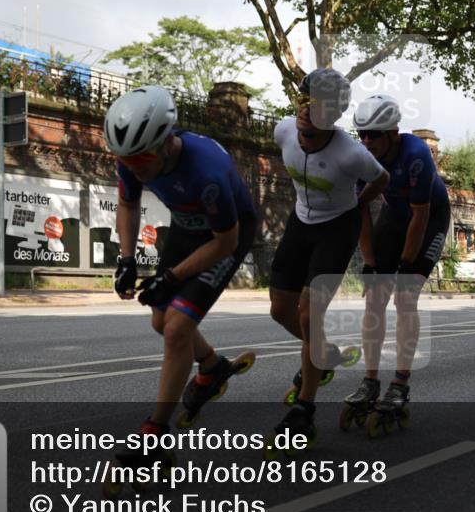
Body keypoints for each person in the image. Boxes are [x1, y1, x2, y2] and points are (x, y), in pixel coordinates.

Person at [106, 85, 259, 465]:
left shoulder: (207, 170)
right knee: (160, 320)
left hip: (227, 234)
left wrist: (172, 278)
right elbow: (127, 203)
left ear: (165, 141)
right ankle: (211, 366)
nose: (132, 167)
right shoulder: (132, 158)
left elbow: (225, 242)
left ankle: (155, 434)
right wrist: (126, 259)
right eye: (125, 160)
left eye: (140, 159)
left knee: (176, 327)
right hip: (188, 228)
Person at [269, 68, 389, 447]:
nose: (307, 110)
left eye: (318, 106)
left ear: (334, 115)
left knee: (309, 315)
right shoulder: (283, 131)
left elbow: (381, 178)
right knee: (280, 311)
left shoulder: (350, 153)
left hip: (338, 228)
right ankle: (325, 354)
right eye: (304, 100)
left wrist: (359, 205)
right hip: (301, 222)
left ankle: (304, 408)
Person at [344, 94, 450, 435]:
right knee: (375, 296)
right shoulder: (362, 158)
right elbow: (360, 209)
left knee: (406, 297)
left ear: (392, 132)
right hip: (394, 215)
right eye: (361, 134)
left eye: (373, 134)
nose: (366, 141)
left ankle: (401, 383)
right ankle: (370, 381)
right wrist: (371, 263)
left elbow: (420, 218)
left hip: (429, 218)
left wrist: (405, 265)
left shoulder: (416, 154)